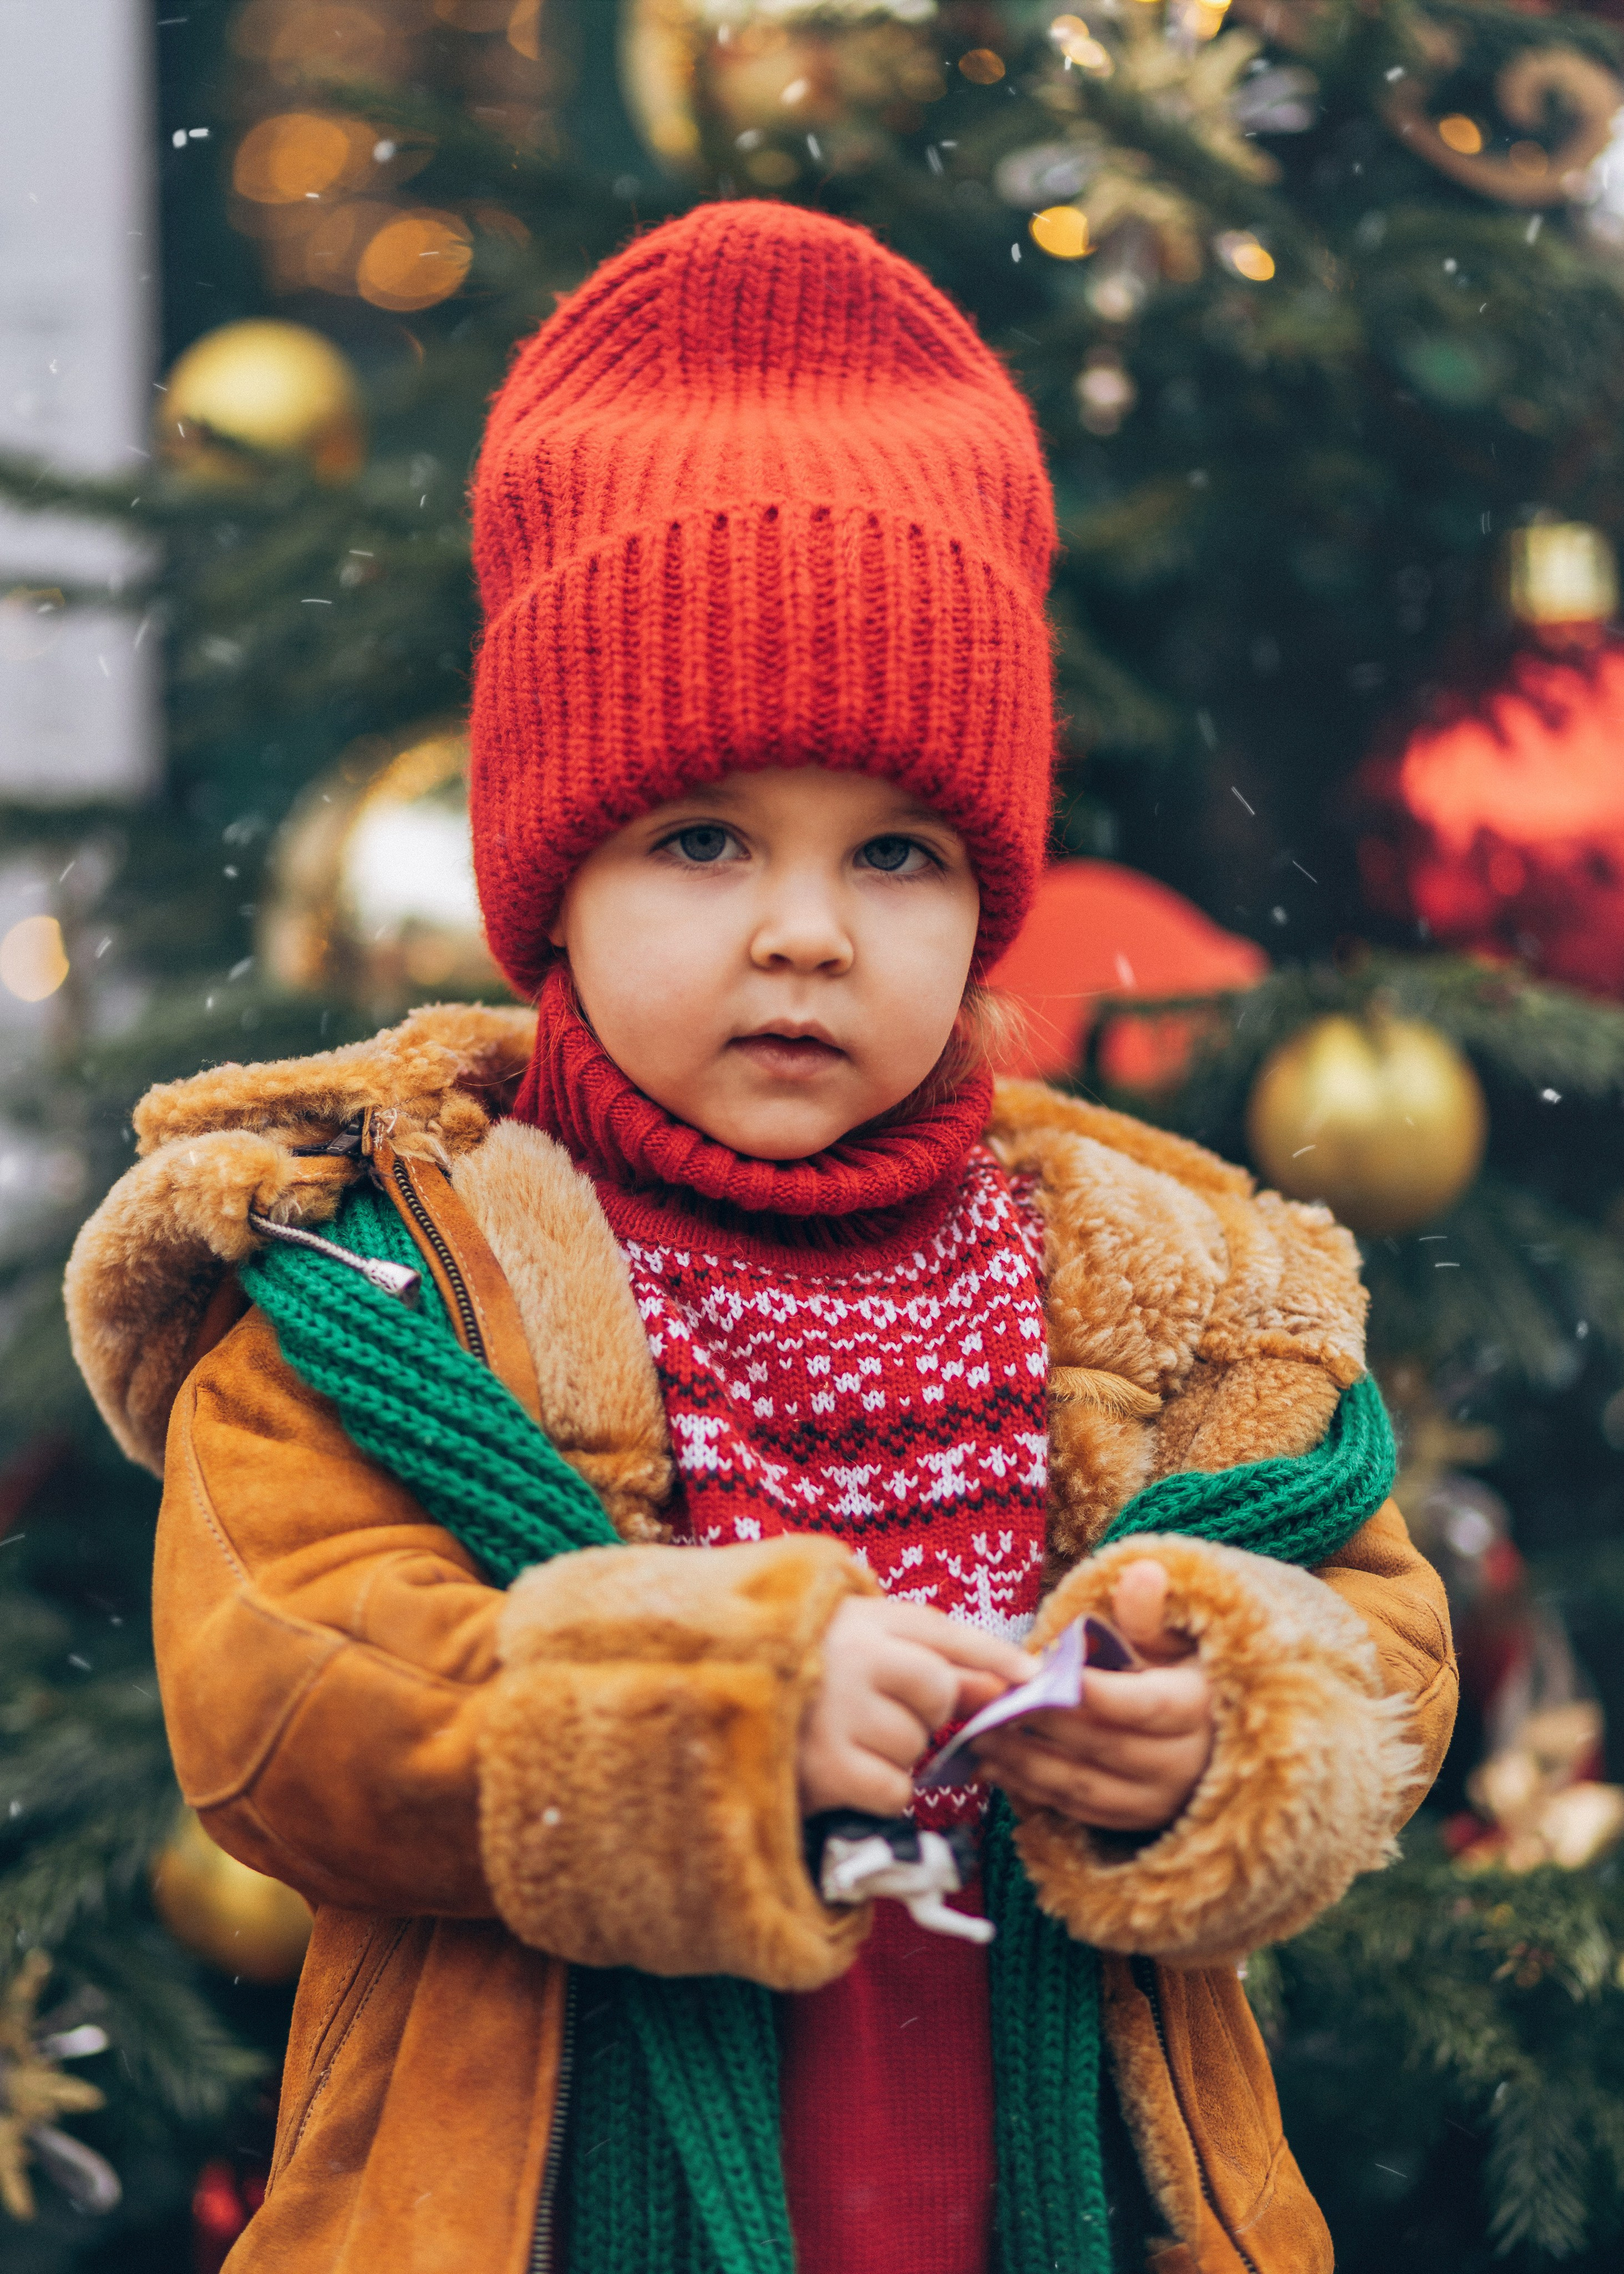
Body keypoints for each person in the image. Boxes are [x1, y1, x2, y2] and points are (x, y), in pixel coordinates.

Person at [67, 202, 1456, 2274]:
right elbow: (292, 1708)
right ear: (553, 884)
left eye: (895, 853)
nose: (804, 929)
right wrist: (711, 1723)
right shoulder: (394, 1271)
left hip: (1034, 2190)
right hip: (549, 2201)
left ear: (987, 905)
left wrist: (1224, 1719)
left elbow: (1377, 1631)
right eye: (703, 838)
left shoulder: (1160, 1276)